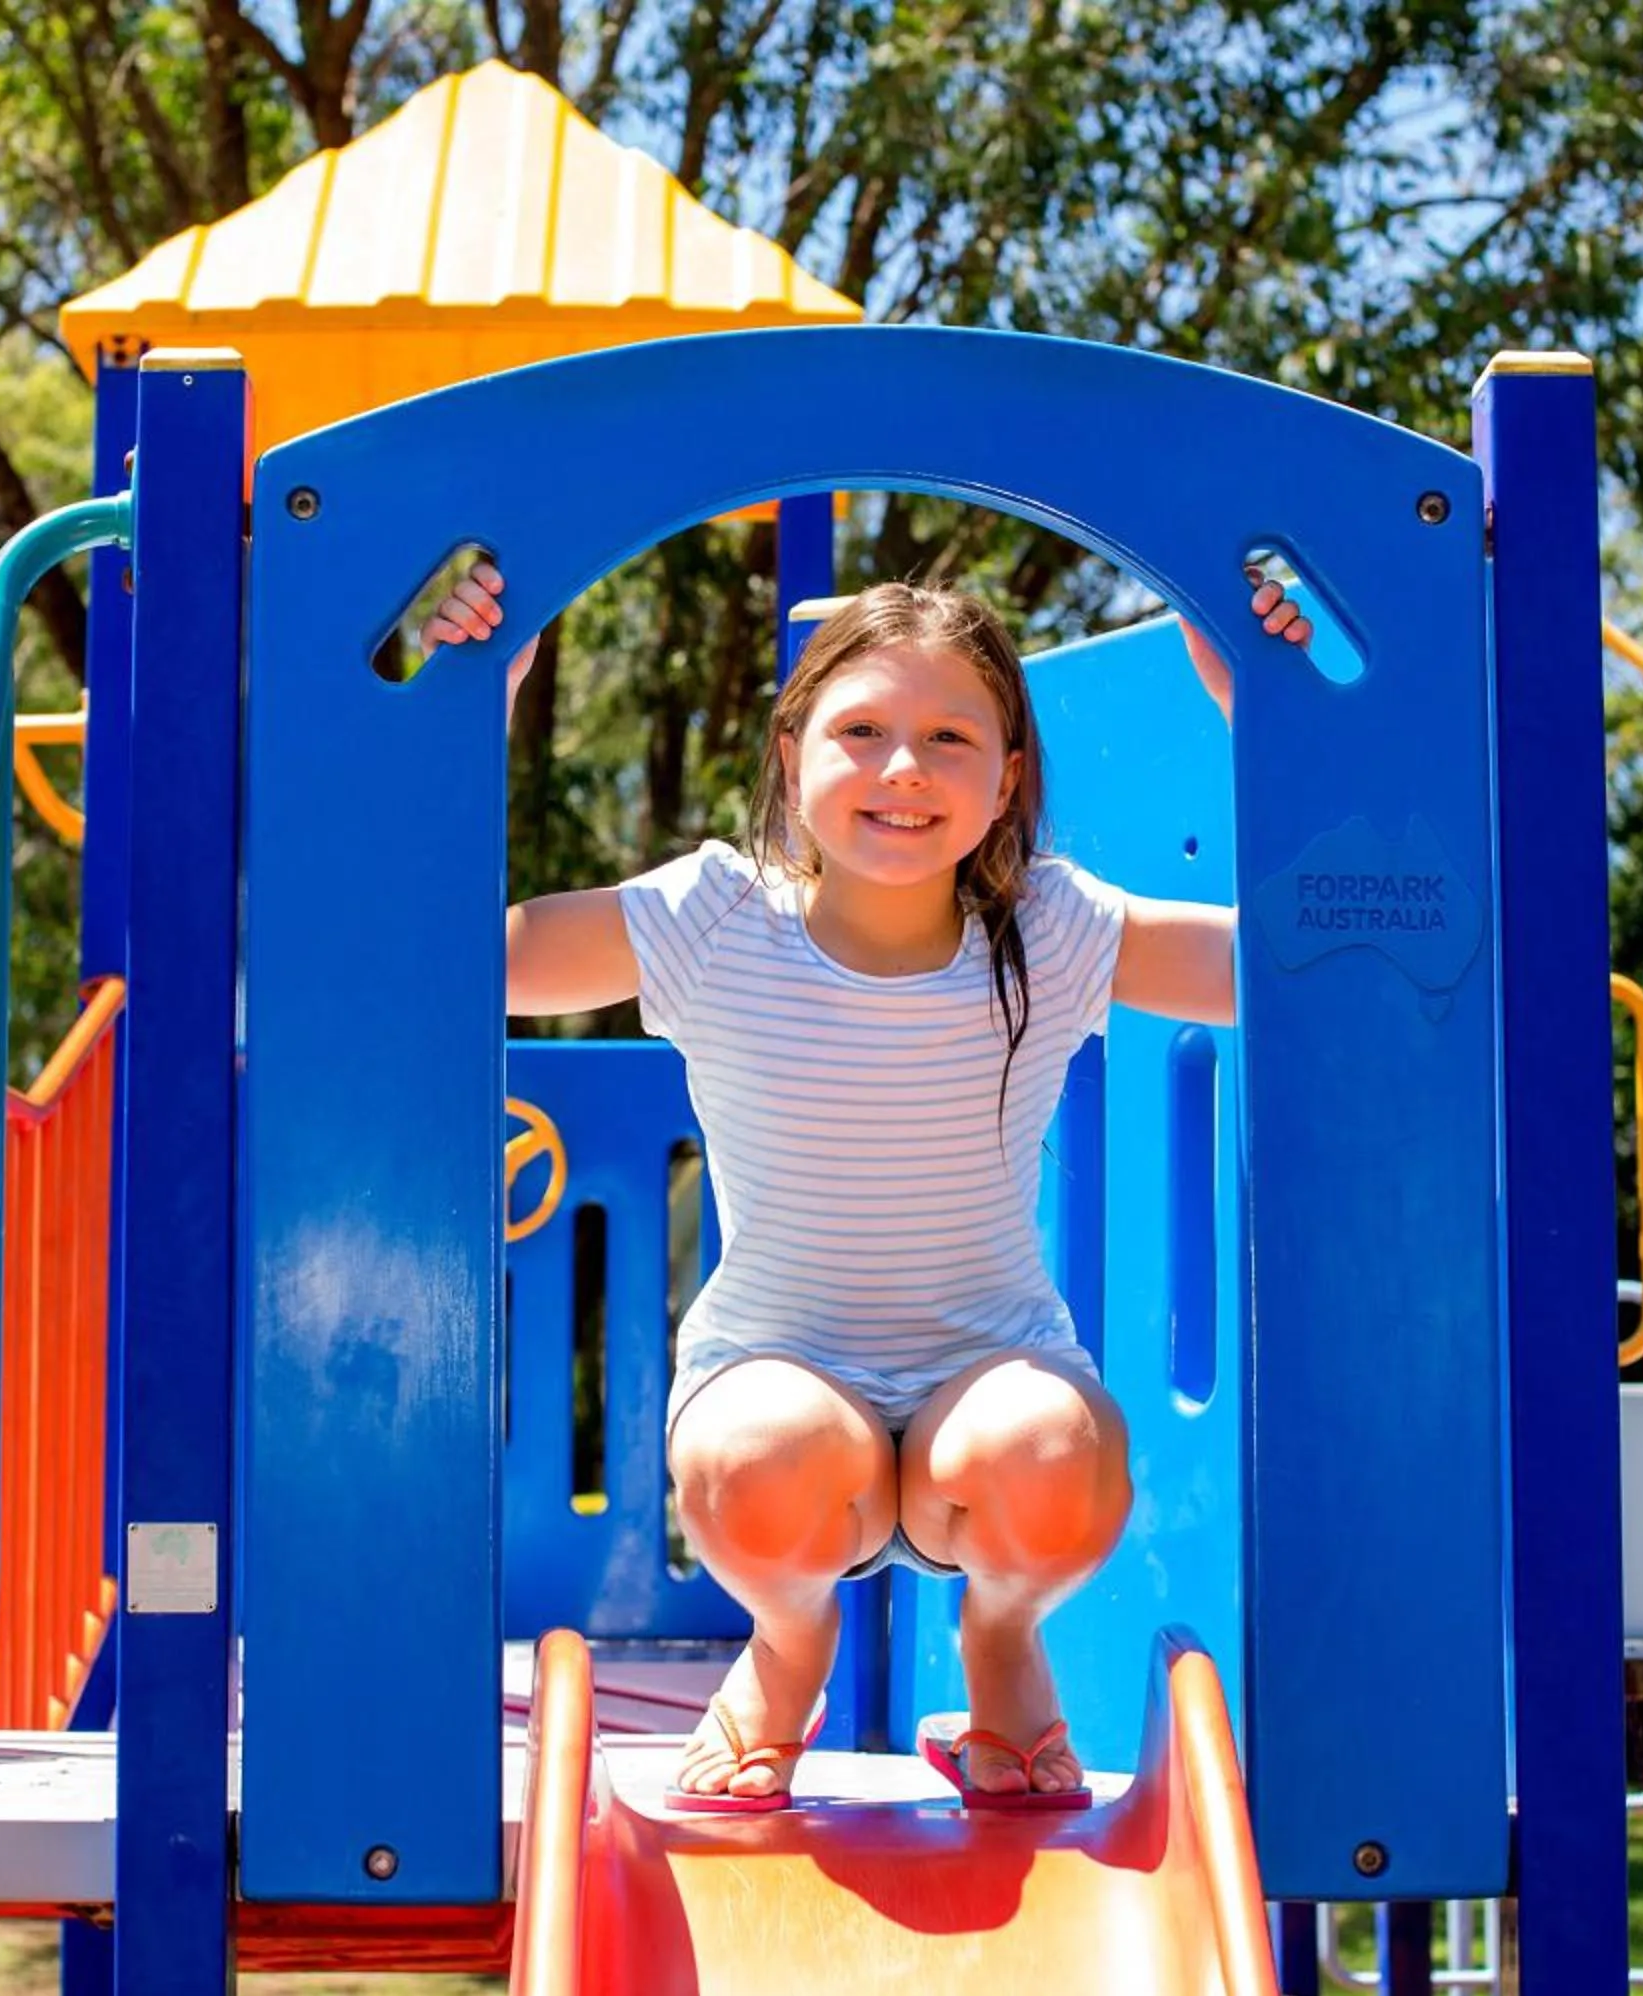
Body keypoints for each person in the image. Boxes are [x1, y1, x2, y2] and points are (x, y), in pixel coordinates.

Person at [432, 562, 1308, 1810]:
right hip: (781, 1371)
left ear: (1007, 777)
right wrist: (470, 717)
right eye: (862, 731)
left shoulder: (1050, 930)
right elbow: (459, 958)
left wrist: (1266, 718)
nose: (905, 767)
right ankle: (790, 1648)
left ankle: (1001, 1641)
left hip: (992, 1376)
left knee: (1054, 1449)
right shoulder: (714, 917)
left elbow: (1305, 969)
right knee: (764, 1455)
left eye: (951, 737)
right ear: (793, 756)